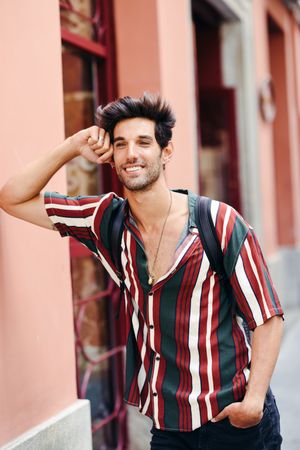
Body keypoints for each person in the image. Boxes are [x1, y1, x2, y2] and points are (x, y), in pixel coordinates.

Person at [0, 93, 284, 450]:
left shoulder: (218, 222)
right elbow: (12, 197)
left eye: (143, 142)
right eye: (121, 144)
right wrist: (71, 147)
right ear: (112, 157)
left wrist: (254, 402)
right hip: (168, 426)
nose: (131, 153)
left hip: (232, 416)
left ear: (166, 152)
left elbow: (267, 316)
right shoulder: (105, 220)